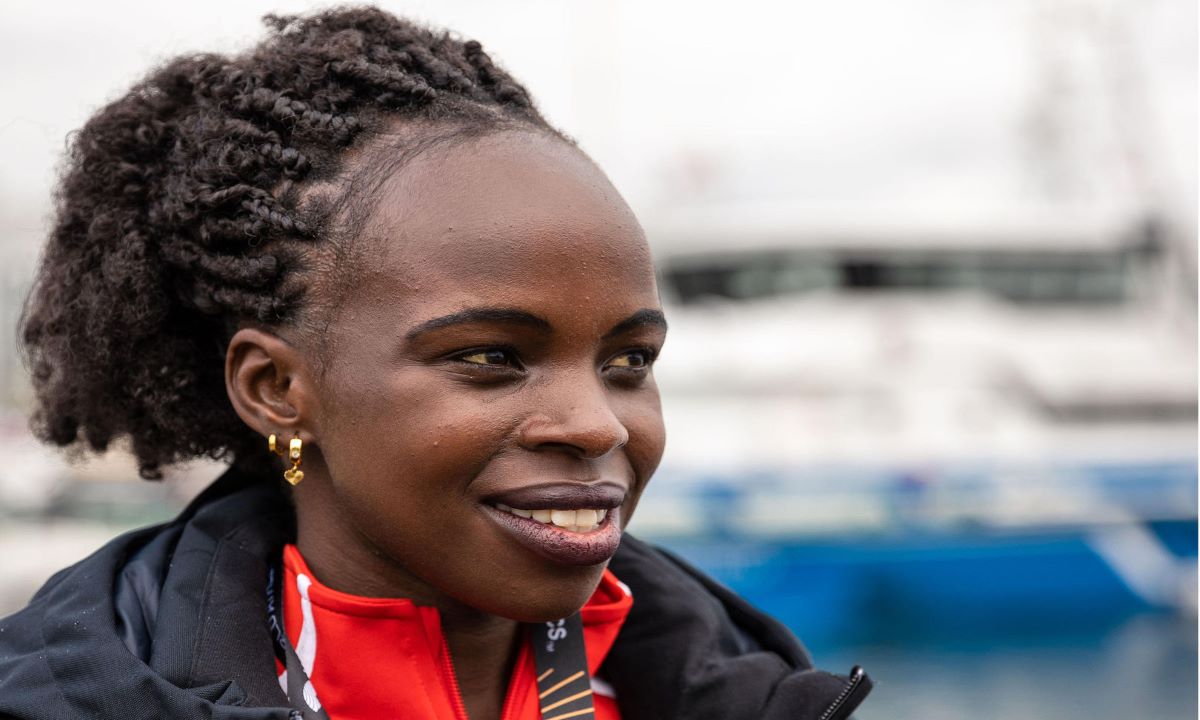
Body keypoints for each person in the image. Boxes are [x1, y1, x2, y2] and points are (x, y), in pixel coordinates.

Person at [0, 7, 871, 719]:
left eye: (629, 360)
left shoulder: (742, 686)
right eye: (492, 356)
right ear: (277, 389)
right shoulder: (67, 695)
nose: (596, 423)